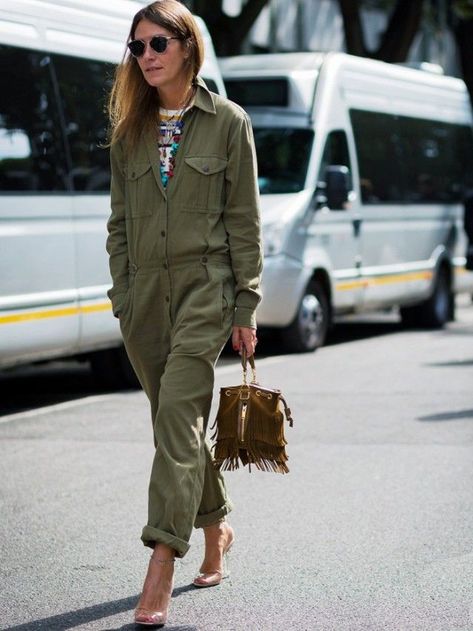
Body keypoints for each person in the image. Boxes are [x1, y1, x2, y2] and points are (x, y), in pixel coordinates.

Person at [106, 0, 262, 627]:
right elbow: (118, 225)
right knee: (177, 426)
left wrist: (245, 303)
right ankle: (217, 525)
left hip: (205, 289)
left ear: (188, 46)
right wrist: (122, 296)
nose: (146, 55)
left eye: (158, 43)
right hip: (143, 299)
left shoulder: (228, 122)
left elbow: (244, 222)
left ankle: (161, 559)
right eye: (137, 46)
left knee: (175, 415)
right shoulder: (129, 131)